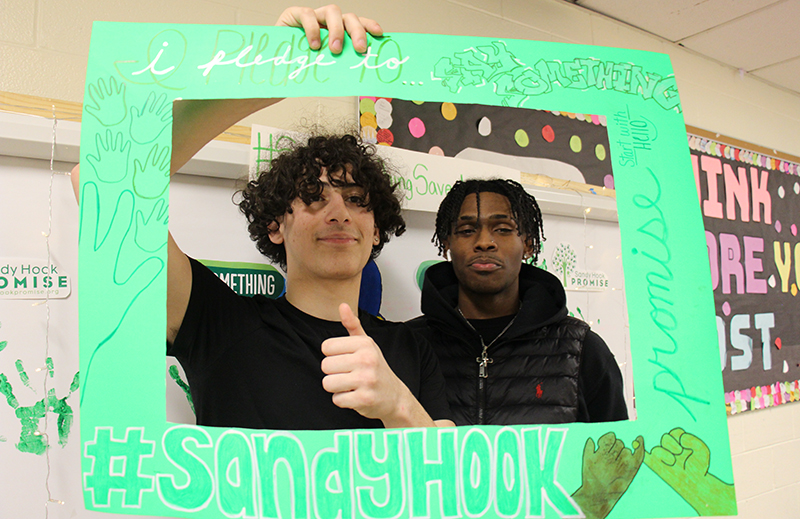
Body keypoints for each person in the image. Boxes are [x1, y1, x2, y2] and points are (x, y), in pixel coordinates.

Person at [73, 5, 453, 431]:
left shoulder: (412, 348)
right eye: (314, 196)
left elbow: (450, 490)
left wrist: (398, 406)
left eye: (356, 198)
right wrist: (261, 76)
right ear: (276, 225)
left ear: (376, 227)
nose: (339, 212)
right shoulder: (218, 324)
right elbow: (102, 181)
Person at [408, 178, 627, 425]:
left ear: (528, 244)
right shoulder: (408, 346)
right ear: (447, 244)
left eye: (502, 229)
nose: (484, 242)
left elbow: (614, 457)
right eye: (467, 230)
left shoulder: (582, 350)